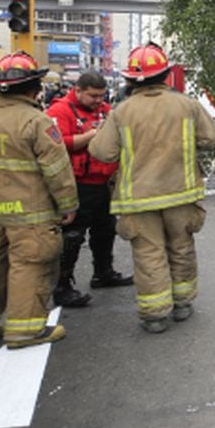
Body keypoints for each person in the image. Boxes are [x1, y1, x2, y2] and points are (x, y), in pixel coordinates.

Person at [88, 43, 215, 334]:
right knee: (182, 248)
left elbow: (101, 151)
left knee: (149, 254)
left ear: (129, 80)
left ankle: (154, 315)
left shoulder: (121, 112)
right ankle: (183, 303)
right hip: (182, 194)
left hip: (138, 199)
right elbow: (212, 137)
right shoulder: (186, 106)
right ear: (164, 74)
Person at [0, 51, 79, 350]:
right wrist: (68, 205)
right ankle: (25, 330)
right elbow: (56, 169)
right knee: (30, 266)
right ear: (33, 88)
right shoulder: (36, 121)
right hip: (31, 213)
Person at [48, 70, 132, 308]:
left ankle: (103, 272)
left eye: (101, 96)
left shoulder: (105, 110)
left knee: (105, 230)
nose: (98, 101)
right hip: (78, 183)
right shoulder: (59, 111)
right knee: (73, 235)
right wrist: (90, 136)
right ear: (78, 91)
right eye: (93, 96)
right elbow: (55, 145)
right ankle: (63, 285)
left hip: (104, 182)